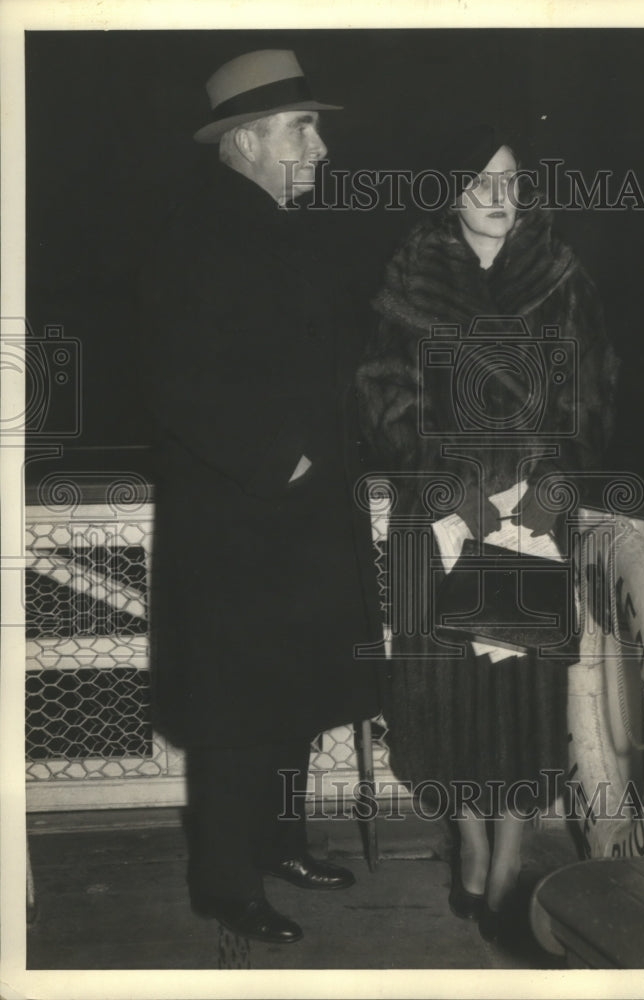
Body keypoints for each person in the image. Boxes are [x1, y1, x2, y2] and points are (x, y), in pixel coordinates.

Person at [139, 49, 381, 944]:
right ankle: (223, 881)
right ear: (245, 138)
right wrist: (278, 462)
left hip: (298, 517)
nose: (319, 145)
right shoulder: (196, 227)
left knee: (294, 692)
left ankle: (281, 844)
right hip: (239, 520)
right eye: (301, 127)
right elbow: (175, 380)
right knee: (237, 708)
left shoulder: (278, 223)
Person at [356, 124, 617, 947]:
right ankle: (467, 841)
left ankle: (507, 862)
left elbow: (592, 394)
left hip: (528, 513)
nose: (498, 198)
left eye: (509, 180)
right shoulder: (407, 275)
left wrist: (539, 498)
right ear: (445, 191)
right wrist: (446, 490)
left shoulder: (561, 274)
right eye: (478, 183)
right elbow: (381, 398)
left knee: (518, 702)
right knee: (447, 702)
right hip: (438, 514)